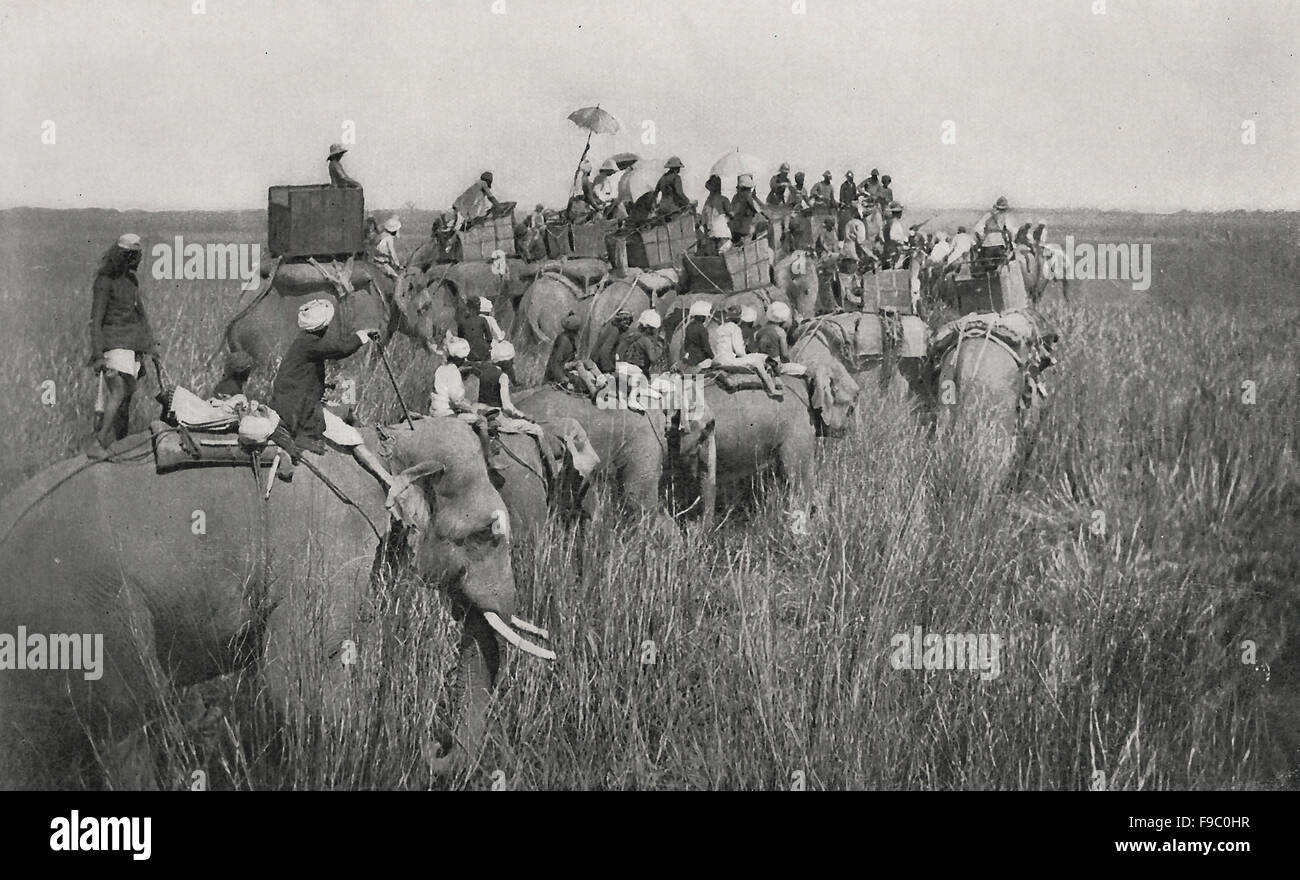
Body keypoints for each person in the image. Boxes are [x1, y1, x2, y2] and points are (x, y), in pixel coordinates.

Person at [269, 299, 377, 456]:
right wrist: (362, 335)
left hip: (287, 400)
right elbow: (341, 349)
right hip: (296, 406)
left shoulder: (303, 340)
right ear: (323, 326)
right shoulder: (311, 343)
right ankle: (303, 437)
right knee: (345, 430)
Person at [86, 233, 159, 459]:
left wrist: (148, 348)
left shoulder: (131, 281)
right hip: (113, 347)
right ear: (128, 256)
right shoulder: (104, 282)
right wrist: (98, 355)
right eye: (137, 256)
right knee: (119, 392)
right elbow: (96, 320)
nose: (140, 261)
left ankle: (120, 443)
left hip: (130, 348)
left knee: (126, 397)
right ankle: (98, 443)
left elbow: (140, 316)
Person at [429, 336, 498, 466]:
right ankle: (488, 458)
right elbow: (457, 400)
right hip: (446, 414)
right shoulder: (454, 373)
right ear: (458, 359)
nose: (465, 360)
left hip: (435, 409)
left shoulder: (441, 368)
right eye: (463, 358)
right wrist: (472, 409)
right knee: (481, 421)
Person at [710, 303, 781, 397]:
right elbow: (740, 352)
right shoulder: (735, 328)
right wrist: (749, 357)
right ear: (738, 318)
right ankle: (772, 389)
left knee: (757, 358)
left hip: (717, 360)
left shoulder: (720, 328)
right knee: (758, 361)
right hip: (729, 360)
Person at [614, 308, 664, 377]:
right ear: (651, 329)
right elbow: (653, 358)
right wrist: (660, 349)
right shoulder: (646, 341)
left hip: (626, 367)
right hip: (637, 370)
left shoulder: (633, 335)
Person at [729, 174, 768, 244]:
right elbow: (758, 210)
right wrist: (767, 216)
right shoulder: (748, 198)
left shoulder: (736, 197)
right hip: (745, 228)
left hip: (735, 228)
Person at [700, 174, 733, 254]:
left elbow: (703, 221)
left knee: (713, 258)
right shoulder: (724, 200)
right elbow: (732, 215)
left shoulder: (707, 203)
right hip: (723, 234)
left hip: (710, 235)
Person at [592, 308, 633, 373]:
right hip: (599, 362)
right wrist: (609, 369)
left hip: (600, 360)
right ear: (619, 320)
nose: (627, 325)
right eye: (625, 322)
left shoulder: (613, 327)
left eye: (629, 323)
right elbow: (604, 351)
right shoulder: (615, 331)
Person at [456, 295, 493, 365]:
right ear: (479, 307)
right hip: (483, 354)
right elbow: (489, 338)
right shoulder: (483, 320)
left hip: (469, 355)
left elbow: (460, 340)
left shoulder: (461, 322)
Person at [680, 300, 714, 368]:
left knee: (689, 377)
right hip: (700, 359)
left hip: (690, 358)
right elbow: (706, 347)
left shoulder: (689, 327)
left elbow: (686, 345)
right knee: (700, 377)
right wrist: (712, 357)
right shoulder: (702, 329)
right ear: (701, 317)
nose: (705, 318)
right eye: (705, 316)